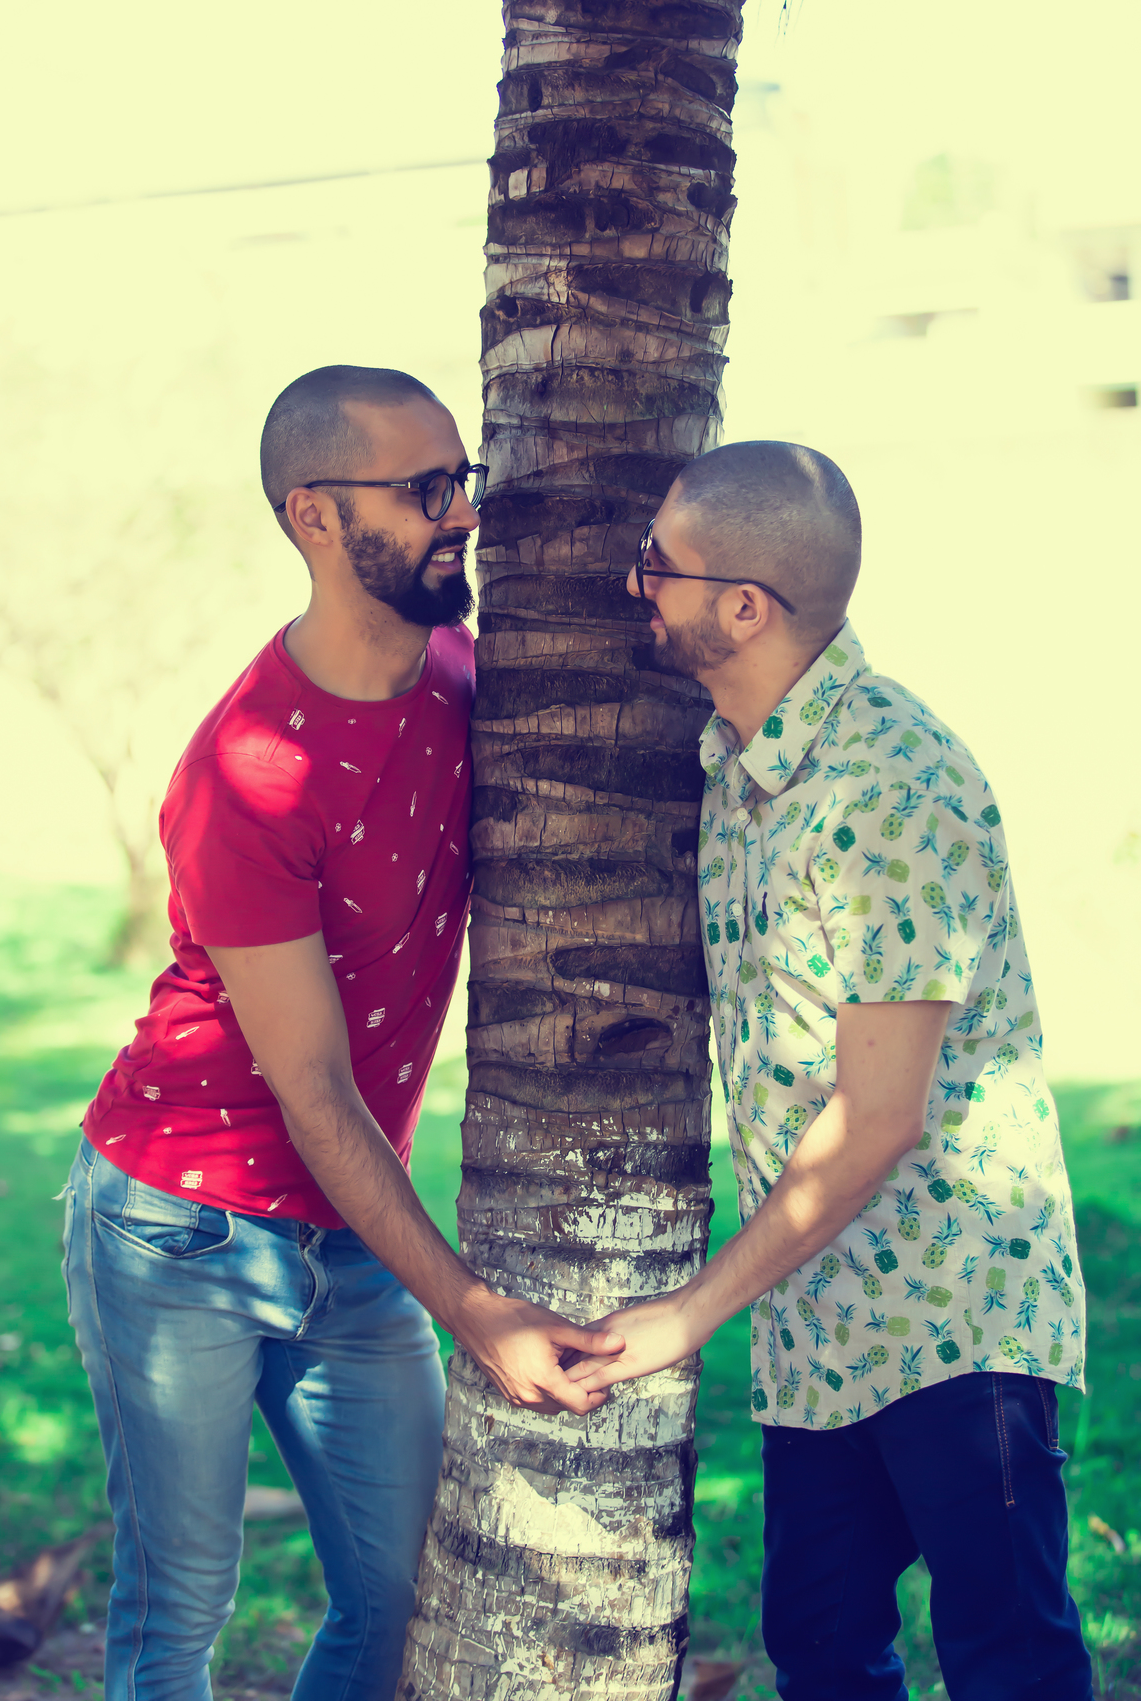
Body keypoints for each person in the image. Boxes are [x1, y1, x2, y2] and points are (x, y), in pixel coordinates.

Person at [62, 365, 622, 1701]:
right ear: (316, 515)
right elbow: (311, 1090)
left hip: (353, 1238)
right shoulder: (250, 770)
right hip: (178, 1229)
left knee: (402, 1599)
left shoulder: (464, 684)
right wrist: (479, 1314)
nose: (462, 518)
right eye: (424, 491)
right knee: (180, 1608)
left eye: (461, 482)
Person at [570, 441, 1092, 1700]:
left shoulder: (890, 783)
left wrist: (686, 1318)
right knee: (822, 1651)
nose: (638, 586)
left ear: (743, 607)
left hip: (956, 1315)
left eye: (659, 567)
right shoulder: (735, 767)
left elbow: (878, 1119)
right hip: (821, 1323)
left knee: (1008, 1658)